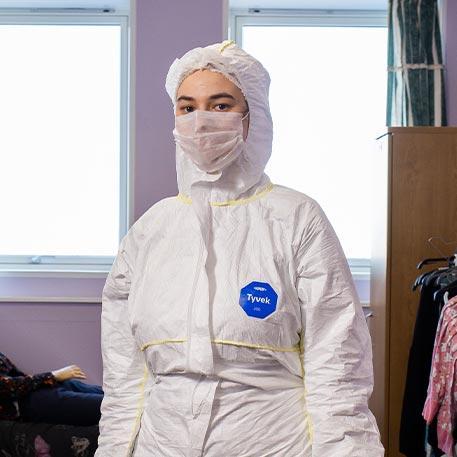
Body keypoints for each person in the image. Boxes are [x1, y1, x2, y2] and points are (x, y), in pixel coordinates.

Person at [96, 41, 384, 456]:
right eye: (187, 106)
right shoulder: (150, 231)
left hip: (271, 442)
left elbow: (336, 364)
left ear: (253, 119)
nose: (201, 122)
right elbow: (125, 375)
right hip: (161, 444)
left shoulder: (296, 218)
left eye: (220, 105)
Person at [0, 351, 102, 426]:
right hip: (29, 403)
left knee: (112, 394)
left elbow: (15, 376)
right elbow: (5, 387)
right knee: (109, 405)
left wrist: (50, 379)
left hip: (40, 386)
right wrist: (51, 376)